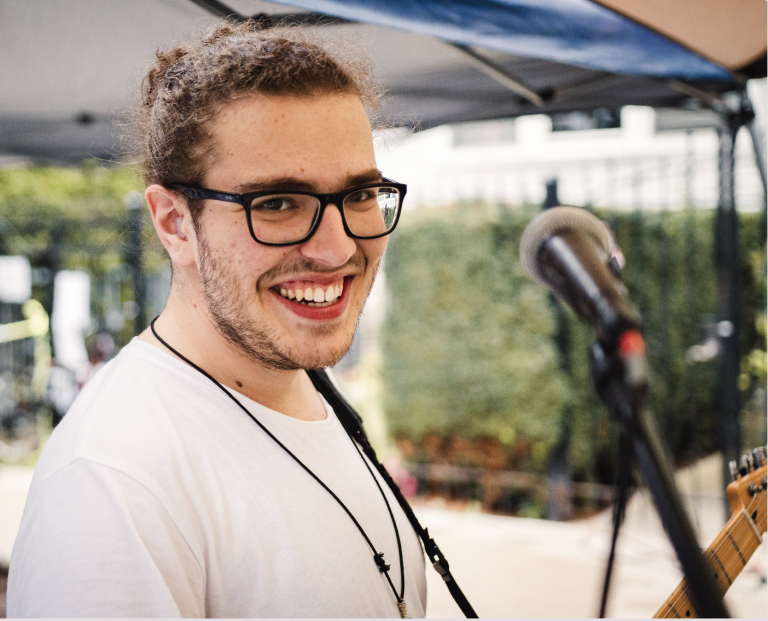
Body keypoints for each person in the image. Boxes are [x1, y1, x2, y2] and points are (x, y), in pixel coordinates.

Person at [8, 21, 426, 618]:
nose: (337, 249)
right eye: (279, 203)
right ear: (175, 223)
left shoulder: (302, 385)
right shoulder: (113, 485)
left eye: (359, 195)